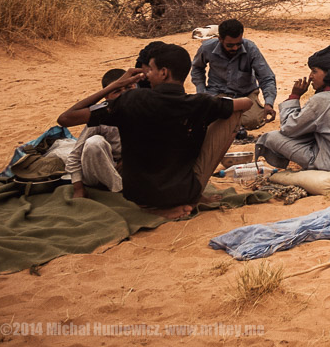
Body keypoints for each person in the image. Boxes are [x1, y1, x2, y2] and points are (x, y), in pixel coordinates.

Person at [58, 43, 251, 219]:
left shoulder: (130, 101)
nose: (146, 74)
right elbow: (247, 103)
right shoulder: (199, 104)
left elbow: (66, 118)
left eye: (150, 69)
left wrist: (114, 85)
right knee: (232, 113)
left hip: (139, 195)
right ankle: (194, 196)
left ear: (164, 73)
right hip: (184, 191)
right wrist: (214, 107)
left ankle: (154, 207)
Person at [253, 45, 330, 177]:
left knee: (270, 137)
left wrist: (295, 96)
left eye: (314, 71)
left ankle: (312, 167)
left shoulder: (320, 100)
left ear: (328, 73)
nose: (310, 76)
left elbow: (288, 128)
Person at [190, 18, 277, 130]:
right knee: (205, 118)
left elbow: (266, 77)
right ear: (220, 39)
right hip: (218, 93)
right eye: (230, 45)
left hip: (245, 95)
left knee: (252, 121)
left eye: (238, 44)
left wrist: (269, 103)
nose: (235, 48)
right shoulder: (207, 47)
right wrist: (202, 93)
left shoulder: (251, 48)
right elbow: (197, 68)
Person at [65, 68, 129, 198]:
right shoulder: (101, 115)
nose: (124, 94)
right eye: (117, 91)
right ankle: (120, 190)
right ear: (107, 96)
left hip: (127, 170)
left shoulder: (142, 107)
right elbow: (74, 157)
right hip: (97, 172)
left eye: (128, 88)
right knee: (94, 143)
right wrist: (78, 189)